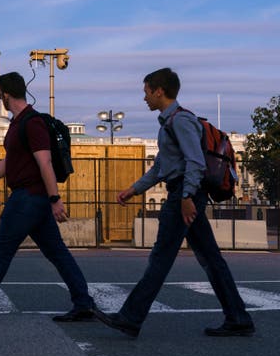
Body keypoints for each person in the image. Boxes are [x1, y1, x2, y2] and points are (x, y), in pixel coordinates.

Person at [93, 67, 254, 337]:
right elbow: (160, 168)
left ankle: (131, 317)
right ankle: (238, 317)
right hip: (184, 192)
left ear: (159, 91)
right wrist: (133, 190)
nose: (144, 98)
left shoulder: (179, 121)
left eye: (146, 92)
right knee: (211, 258)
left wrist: (187, 196)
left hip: (184, 194)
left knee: (162, 256)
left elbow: (195, 161)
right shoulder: (169, 123)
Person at [0, 71, 94, 322]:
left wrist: (55, 199)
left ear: (6, 94)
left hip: (27, 199)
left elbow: (45, 163)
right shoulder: (18, 124)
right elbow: (9, 162)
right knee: (57, 253)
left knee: (1, 252)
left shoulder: (31, 123)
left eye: (0, 93)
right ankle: (83, 302)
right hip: (34, 199)